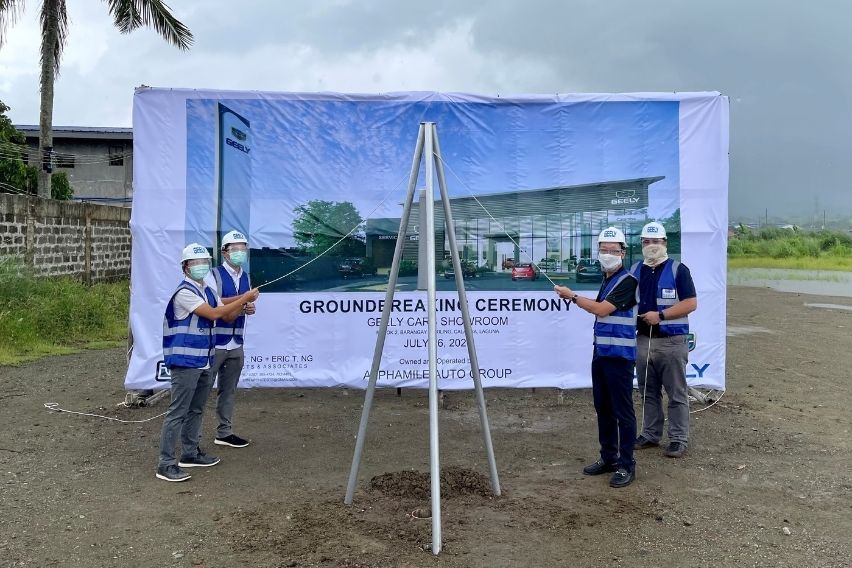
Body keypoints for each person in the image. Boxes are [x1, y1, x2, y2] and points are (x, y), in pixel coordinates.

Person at [156, 243, 260, 482]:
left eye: (204, 262)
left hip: (204, 359)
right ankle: (166, 463)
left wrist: (243, 307)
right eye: (195, 263)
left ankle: (190, 454)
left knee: (196, 409)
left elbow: (226, 313)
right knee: (177, 412)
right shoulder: (184, 292)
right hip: (185, 360)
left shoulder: (207, 292)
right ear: (185, 267)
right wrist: (244, 298)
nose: (201, 266)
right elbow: (214, 315)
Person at [555, 227, 638, 488]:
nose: (608, 254)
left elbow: (602, 310)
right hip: (602, 353)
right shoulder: (607, 279)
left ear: (623, 253)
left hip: (620, 357)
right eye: (604, 249)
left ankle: (626, 465)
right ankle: (609, 457)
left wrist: (573, 296)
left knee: (622, 412)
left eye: (613, 250)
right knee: (603, 408)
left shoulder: (628, 281)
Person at [630, 221, 698, 458]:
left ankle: (678, 439)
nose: (651, 246)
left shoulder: (679, 270)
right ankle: (650, 434)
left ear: (665, 243)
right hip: (643, 341)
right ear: (641, 244)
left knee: (676, 393)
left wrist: (660, 316)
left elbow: (691, 303)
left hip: (671, 341)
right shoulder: (635, 269)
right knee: (647, 391)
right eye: (647, 242)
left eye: (656, 241)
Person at [205, 230, 255, 448]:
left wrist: (247, 307)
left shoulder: (245, 276)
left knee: (229, 390)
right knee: (201, 391)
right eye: (235, 249)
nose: (239, 253)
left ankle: (224, 432)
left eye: (242, 249)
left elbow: (239, 307)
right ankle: (191, 441)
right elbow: (215, 303)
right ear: (224, 252)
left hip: (236, 342)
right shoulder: (212, 275)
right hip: (215, 342)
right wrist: (244, 299)